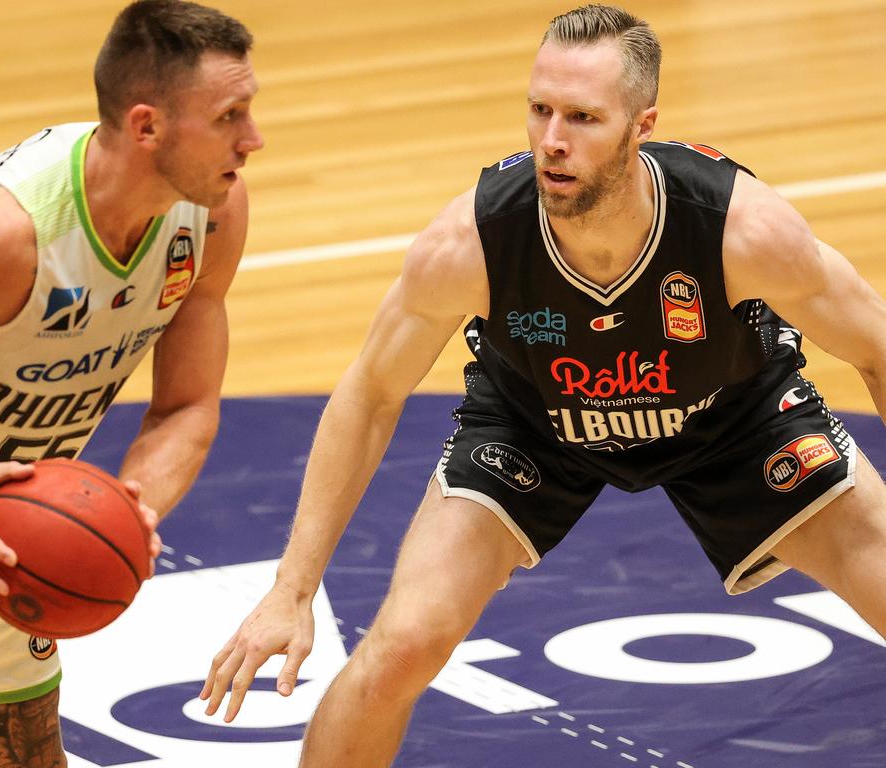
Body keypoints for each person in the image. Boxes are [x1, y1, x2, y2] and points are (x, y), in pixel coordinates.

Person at [201, 4, 886, 765]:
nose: (553, 142)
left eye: (584, 118)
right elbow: (369, 394)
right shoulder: (470, 243)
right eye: (540, 110)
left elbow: (879, 349)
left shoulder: (741, 232)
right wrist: (293, 590)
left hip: (733, 416)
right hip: (536, 423)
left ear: (641, 124)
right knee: (400, 648)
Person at [0, 1, 263, 764]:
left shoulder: (209, 215)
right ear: (148, 127)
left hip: (11, 530)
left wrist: (127, 508)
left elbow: (186, 406)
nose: (253, 139)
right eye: (230, 116)